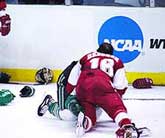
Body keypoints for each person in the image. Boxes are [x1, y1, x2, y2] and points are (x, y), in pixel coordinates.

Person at [64, 42, 140, 138]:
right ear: (111, 53)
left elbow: (73, 78)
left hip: (83, 87)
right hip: (103, 86)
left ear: (98, 50)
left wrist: (69, 91)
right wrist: (115, 99)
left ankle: (85, 122)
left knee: (89, 112)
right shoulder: (117, 61)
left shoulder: (86, 57)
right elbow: (120, 86)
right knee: (117, 108)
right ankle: (127, 126)